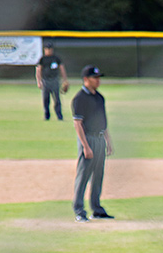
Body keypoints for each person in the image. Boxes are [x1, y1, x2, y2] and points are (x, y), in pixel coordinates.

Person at [71, 64, 114, 222]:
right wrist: (85, 146)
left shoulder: (99, 97)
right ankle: (79, 210)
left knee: (98, 175)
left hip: (100, 138)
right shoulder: (79, 99)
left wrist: (108, 141)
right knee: (83, 175)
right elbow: (78, 124)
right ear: (85, 79)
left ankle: (96, 209)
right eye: (94, 78)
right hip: (88, 138)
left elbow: (103, 122)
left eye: (98, 78)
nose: (97, 81)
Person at [34, 42, 67, 120]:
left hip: (55, 80)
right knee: (46, 99)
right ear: (45, 50)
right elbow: (38, 70)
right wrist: (39, 81)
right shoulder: (42, 59)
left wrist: (64, 79)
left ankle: (59, 116)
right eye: (47, 49)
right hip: (46, 81)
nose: (48, 50)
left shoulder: (56, 58)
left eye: (50, 49)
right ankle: (47, 115)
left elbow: (62, 68)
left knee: (57, 99)